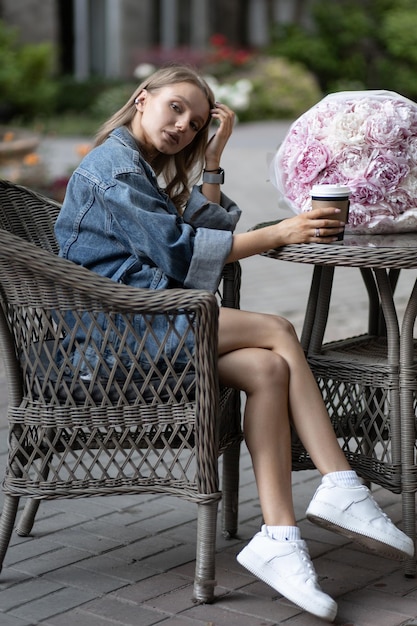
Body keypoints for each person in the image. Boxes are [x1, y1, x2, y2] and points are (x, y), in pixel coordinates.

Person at [55, 64, 414, 623]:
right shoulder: (112, 168)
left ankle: (280, 538)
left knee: (268, 371)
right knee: (276, 330)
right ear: (142, 98)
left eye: (196, 122)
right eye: (175, 108)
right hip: (111, 340)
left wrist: (214, 155)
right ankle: (342, 484)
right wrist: (281, 232)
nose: (184, 126)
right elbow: (181, 252)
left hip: (148, 322)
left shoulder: (137, 164)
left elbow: (198, 224)